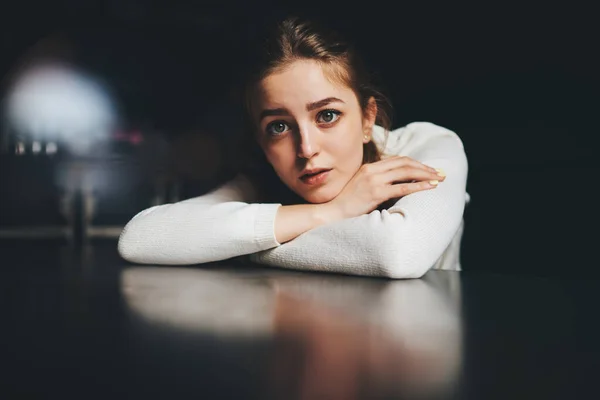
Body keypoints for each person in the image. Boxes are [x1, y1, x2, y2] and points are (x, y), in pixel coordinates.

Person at [117, 16, 470, 279]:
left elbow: (396, 253)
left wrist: (237, 248)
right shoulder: (262, 179)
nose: (306, 149)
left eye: (327, 115)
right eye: (279, 127)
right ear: (260, 140)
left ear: (367, 118)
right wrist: (332, 212)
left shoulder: (428, 145)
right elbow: (140, 238)